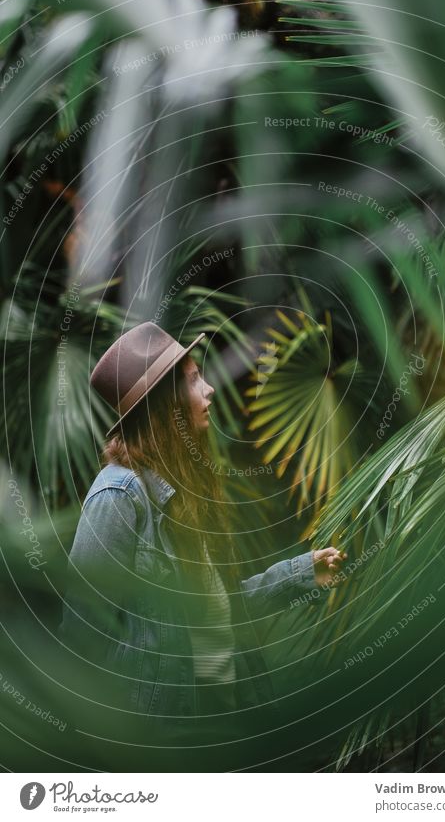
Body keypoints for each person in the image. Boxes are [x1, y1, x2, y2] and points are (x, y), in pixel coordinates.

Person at [57, 321, 348, 770]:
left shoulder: (183, 490)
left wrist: (301, 572)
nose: (210, 390)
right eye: (193, 381)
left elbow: (219, 611)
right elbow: (80, 639)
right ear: (163, 406)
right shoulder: (117, 497)